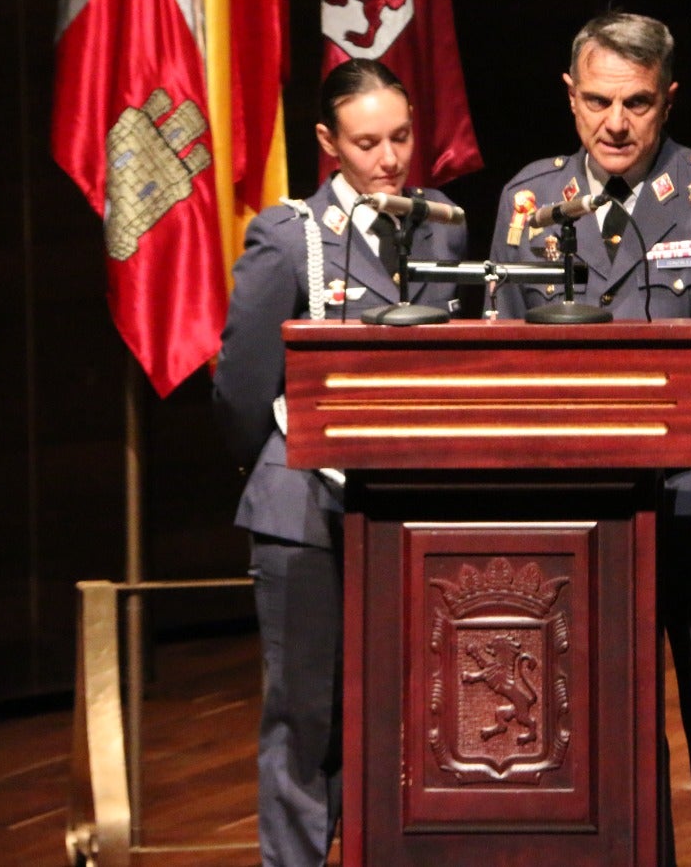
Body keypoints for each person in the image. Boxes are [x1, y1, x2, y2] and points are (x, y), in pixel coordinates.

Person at [489, 11, 691, 867]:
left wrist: (670, 415)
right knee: (606, 722)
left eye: (637, 103)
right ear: (570, 96)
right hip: (579, 506)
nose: (615, 123)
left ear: (668, 99)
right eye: (597, 101)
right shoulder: (529, 201)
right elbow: (503, 349)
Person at [213, 59, 469, 867]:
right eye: (367, 143)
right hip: (304, 504)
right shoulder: (290, 235)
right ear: (328, 142)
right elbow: (241, 388)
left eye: (401, 136)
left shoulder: (441, 226)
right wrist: (280, 470)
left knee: (399, 709)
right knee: (306, 713)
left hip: (406, 504)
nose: (390, 159)